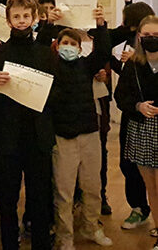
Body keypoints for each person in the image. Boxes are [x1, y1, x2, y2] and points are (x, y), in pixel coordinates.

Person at [0, 0, 57, 250]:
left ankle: (41, 244)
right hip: (8, 136)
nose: (21, 21)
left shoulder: (46, 54)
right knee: (7, 198)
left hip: (38, 135)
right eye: (16, 16)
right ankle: (9, 244)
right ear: (8, 20)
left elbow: (55, 93)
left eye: (26, 16)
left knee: (40, 197)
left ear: (35, 18)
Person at [49, 17, 114, 248]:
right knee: (64, 191)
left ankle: (91, 227)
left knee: (92, 186)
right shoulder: (51, 66)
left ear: (79, 47)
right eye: (65, 42)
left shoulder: (86, 65)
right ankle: (64, 236)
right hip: (63, 136)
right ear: (58, 45)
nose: (69, 47)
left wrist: (101, 25)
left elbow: (104, 51)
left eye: (73, 44)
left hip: (89, 134)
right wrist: (49, 22)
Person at [116, 15, 158, 250]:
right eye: (147, 36)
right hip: (142, 129)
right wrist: (138, 106)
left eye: (156, 36)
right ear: (139, 38)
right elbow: (121, 96)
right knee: (151, 186)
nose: (151, 40)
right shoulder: (132, 64)